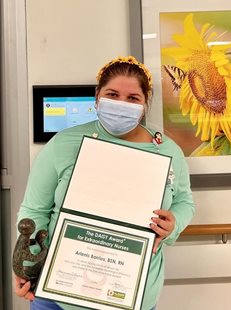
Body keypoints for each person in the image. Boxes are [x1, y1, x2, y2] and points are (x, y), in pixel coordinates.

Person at [14, 56, 195, 310]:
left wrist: (173, 223)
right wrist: (27, 265)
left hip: (133, 295)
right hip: (58, 295)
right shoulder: (64, 144)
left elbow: (185, 201)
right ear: (97, 96)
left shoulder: (167, 151)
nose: (122, 104)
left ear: (145, 104)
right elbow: (35, 210)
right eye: (112, 94)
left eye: (133, 98)